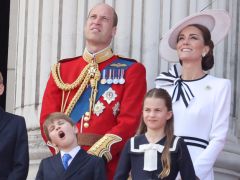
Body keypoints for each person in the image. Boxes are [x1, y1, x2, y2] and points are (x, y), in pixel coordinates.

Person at [39, 3, 146, 179]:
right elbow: (47, 119)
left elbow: (129, 122)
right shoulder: (62, 70)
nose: (97, 22)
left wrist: (93, 158)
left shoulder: (132, 70)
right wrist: (65, 154)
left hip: (106, 166)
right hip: (64, 165)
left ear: (113, 31)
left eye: (104, 19)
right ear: (85, 24)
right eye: (93, 17)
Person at [155, 10, 231, 180]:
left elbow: (218, 138)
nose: (185, 42)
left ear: (205, 49)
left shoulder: (220, 86)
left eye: (193, 37)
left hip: (197, 169)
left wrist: (192, 173)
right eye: (181, 38)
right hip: (161, 167)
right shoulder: (163, 85)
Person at [114, 88, 196, 180]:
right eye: (147, 110)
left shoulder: (177, 144)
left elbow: (189, 177)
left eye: (157, 110)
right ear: (142, 113)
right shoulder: (132, 143)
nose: (152, 115)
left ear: (168, 114)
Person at [36, 112, 107, 180]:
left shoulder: (94, 162)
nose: (57, 127)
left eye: (60, 123)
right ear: (52, 143)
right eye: (52, 128)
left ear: (75, 129)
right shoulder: (45, 165)